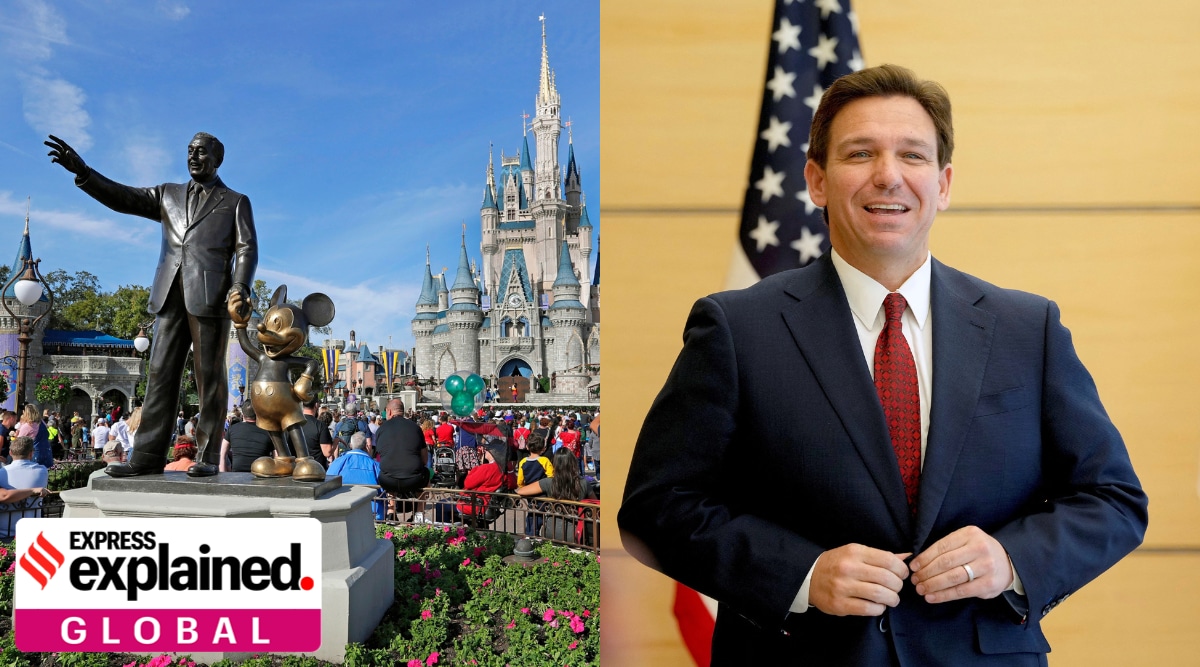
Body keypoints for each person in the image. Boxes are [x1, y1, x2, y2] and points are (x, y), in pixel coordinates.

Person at [617, 65, 1148, 665]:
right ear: (816, 180)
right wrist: (803, 575)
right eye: (860, 153)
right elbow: (656, 507)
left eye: (913, 156)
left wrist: (1012, 561)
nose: (887, 175)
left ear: (943, 184)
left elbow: (1113, 499)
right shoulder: (736, 330)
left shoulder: (1030, 330)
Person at [46, 132, 257, 478]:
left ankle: (205, 455)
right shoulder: (168, 194)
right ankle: (146, 456)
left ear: (217, 159)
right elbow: (123, 197)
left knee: (209, 378)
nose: (193, 157)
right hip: (169, 293)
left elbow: (247, 248)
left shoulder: (234, 201)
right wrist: (84, 172)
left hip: (211, 297)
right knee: (159, 374)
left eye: (201, 152)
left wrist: (240, 287)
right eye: (189, 151)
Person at [372, 399, 429, 500]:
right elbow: (424, 460)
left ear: (389, 412)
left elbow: (380, 455)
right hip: (413, 479)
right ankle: (419, 512)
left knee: (385, 471)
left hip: (387, 480)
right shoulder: (415, 428)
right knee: (427, 473)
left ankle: (391, 509)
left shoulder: (381, 429)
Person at [326, 432, 386, 519]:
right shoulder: (375, 465)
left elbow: (327, 482)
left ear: (350, 445)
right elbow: (383, 488)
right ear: (366, 446)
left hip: (342, 509)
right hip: (372, 511)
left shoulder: (339, 462)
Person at [0, 437, 51, 539]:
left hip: (4, 531)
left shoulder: (2, 473)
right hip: (32, 530)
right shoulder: (42, 471)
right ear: (31, 453)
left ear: (10, 452)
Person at [219, 401, 273, 473]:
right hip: (260, 477)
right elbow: (277, 457)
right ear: (258, 413)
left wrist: (224, 476)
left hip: (236, 477)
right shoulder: (268, 432)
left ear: (243, 415)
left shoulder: (232, 429)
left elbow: (222, 454)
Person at [300, 396, 333, 469]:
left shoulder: (294, 425)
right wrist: (336, 442)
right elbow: (327, 452)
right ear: (316, 405)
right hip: (317, 470)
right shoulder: (321, 426)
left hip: (297, 469)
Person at [17, 405, 53, 469]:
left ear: (26, 413)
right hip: (46, 451)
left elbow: (19, 441)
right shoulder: (42, 422)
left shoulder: (27, 426)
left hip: (34, 453)